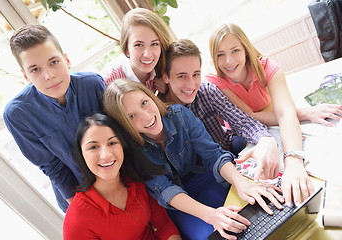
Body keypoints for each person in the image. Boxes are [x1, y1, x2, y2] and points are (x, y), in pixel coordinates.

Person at [103, 79, 284, 240]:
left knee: (254, 210)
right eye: (131, 116)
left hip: (208, 180)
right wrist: (210, 215)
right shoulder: (132, 150)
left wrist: (242, 182)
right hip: (179, 204)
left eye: (144, 103)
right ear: (123, 124)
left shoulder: (178, 115)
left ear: (151, 97)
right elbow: (165, 190)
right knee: (211, 235)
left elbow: (213, 155)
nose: (146, 116)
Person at [206, 23, 334, 208]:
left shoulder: (266, 67)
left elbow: (285, 112)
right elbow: (250, 117)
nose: (228, 61)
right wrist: (303, 113)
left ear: (246, 48)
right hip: (248, 134)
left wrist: (294, 161)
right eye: (220, 54)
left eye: (235, 50)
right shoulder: (215, 82)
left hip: (274, 119)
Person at [3, 24, 106, 212]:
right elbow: (52, 167)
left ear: (67, 59)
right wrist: (85, 211)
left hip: (123, 180)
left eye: (54, 62)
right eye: (35, 69)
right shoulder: (17, 114)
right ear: (26, 76)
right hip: (78, 195)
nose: (49, 75)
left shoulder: (92, 84)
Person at [162, 39, 281, 177]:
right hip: (200, 172)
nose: (191, 84)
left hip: (227, 147)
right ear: (166, 77)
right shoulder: (160, 114)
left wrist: (265, 139)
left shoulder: (206, 91)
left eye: (196, 74)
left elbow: (242, 121)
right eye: (182, 76)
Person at [63, 113, 181, 240]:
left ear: (122, 147)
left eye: (112, 143)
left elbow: (163, 226)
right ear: (81, 156)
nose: (106, 155)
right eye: (93, 147)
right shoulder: (77, 219)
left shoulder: (137, 180)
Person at [103, 7, 174, 94]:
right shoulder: (109, 84)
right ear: (126, 49)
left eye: (154, 44)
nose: (147, 54)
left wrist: (168, 92)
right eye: (139, 45)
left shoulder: (165, 69)